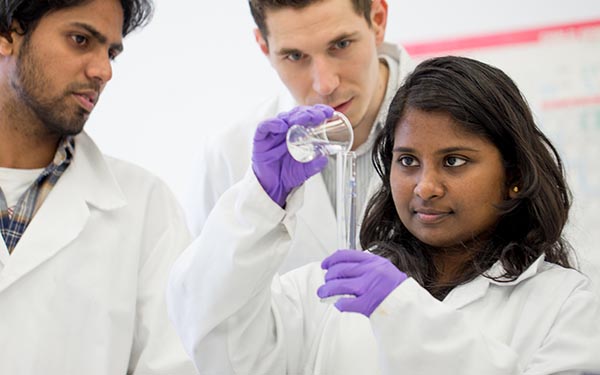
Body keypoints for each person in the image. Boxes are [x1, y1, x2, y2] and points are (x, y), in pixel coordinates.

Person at [168, 56, 600, 374]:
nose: (424, 186)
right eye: (407, 160)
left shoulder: (568, 305)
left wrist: (404, 312)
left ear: (515, 175)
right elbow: (217, 341)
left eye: (454, 161)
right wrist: (260, 200)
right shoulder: (331, 291)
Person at [0, 1, 196, 374]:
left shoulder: (146, 208)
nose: (103, 71)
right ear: (8, 34)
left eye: (111, 53)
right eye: (80, 39)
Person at [185, 0, 413, 272]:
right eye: (295, 56)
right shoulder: (229, 156)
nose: (325, 84)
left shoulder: (464, 121)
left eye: (341, 45)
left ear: (377, 19)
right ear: (264, 47)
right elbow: (205, 303)